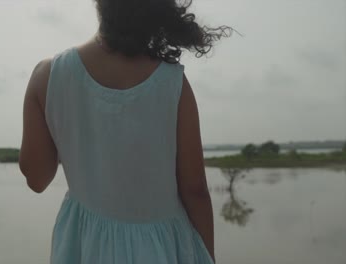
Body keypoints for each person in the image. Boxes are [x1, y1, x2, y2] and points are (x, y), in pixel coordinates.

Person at [19, 0, 234, 263]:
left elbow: (37, 178)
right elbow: (195, 189)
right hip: (161, 247)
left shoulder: (47, 76)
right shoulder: (173, 83)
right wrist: (207, 257)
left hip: (83, 246)